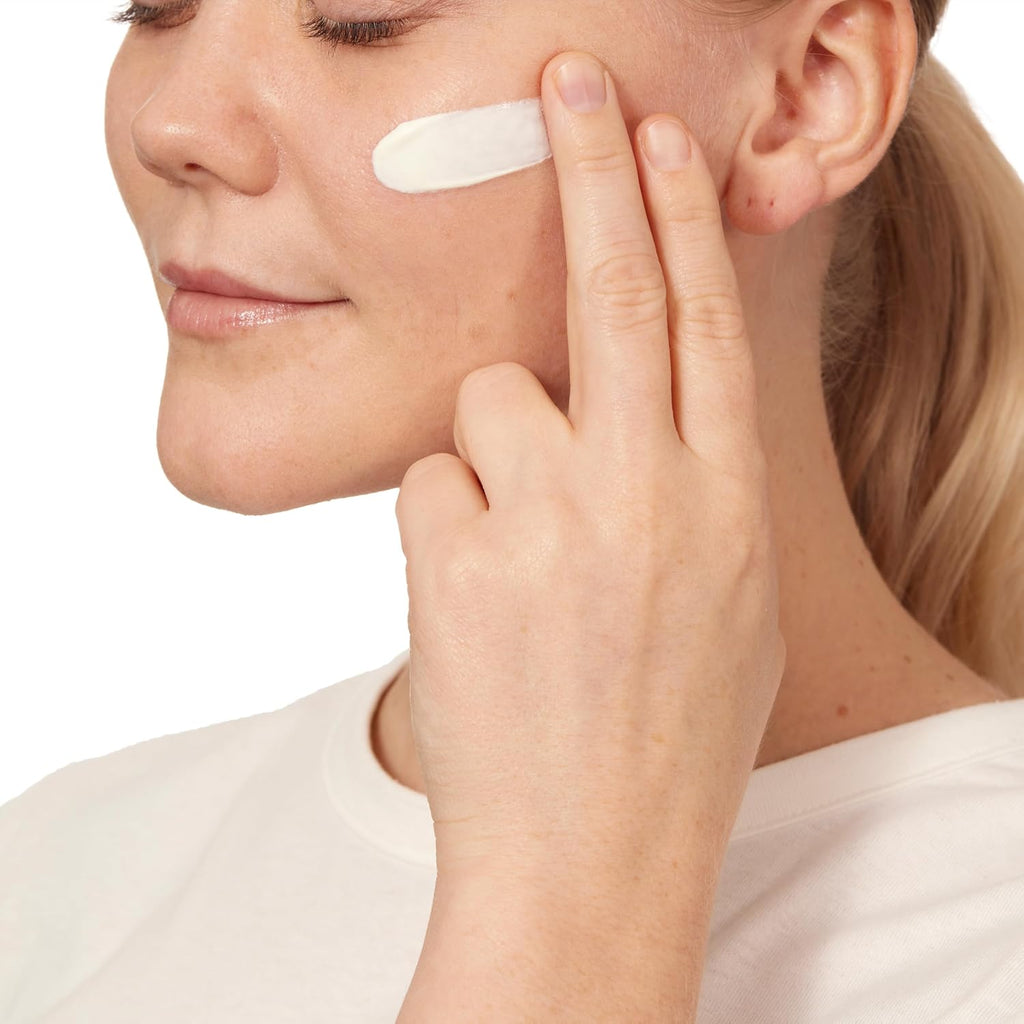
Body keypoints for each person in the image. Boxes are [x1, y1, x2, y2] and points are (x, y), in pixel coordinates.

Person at [2, 0, 1022, 1020]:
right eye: (154, 5)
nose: (170, 122)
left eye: (360, 16)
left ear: (807, 93)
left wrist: (569, 897)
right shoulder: (56, 873)